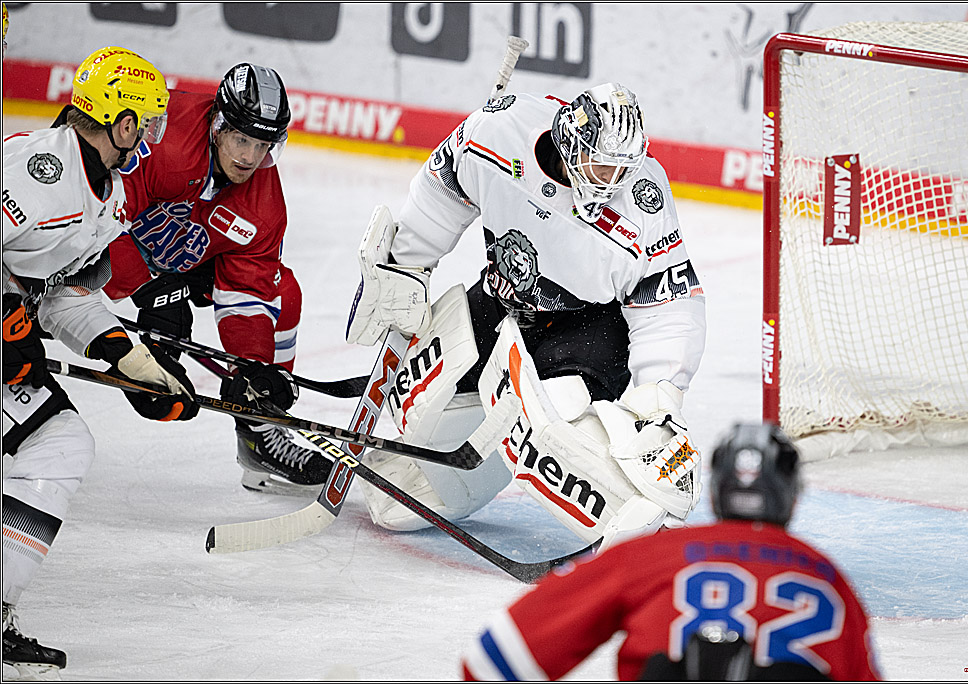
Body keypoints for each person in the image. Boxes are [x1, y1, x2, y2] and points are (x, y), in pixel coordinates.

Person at [345, 83, 706, 548]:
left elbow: (669, 303)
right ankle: (440, 470)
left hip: (589, 328)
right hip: (500, 299)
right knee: (415, 417)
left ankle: (630, 520)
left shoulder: (643, 201)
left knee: (559, 424)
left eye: (623, 169)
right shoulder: (499, 129)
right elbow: (443, 191)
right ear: (573, 142)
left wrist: (660, 397)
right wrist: (405, 266)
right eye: (603, 164)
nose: (612, 180)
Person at [3, 46, 198, 680]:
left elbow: (65, 294)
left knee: (57, 444)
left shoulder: (102, 191)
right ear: (120, 121)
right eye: (146, 120)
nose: (150, 134)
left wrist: (132, 363)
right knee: (53, 444)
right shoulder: (42, 170)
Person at [460, 423, 884, 681]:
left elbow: (492, 660)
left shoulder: (654, 555)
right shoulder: (828, 580)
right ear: (791, 498)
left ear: (715, 491)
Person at [102, 63, 333, 496]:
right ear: (217, 126)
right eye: (241, 139)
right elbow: (100, 211)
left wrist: (252, 367)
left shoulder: (264, 206)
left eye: (263, 144)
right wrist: (152, 294)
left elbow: (248, 291)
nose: (249, 157)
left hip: (178, 265)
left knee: (284, 292)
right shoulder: (162, 137)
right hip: (98, 253)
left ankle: (258, 429)